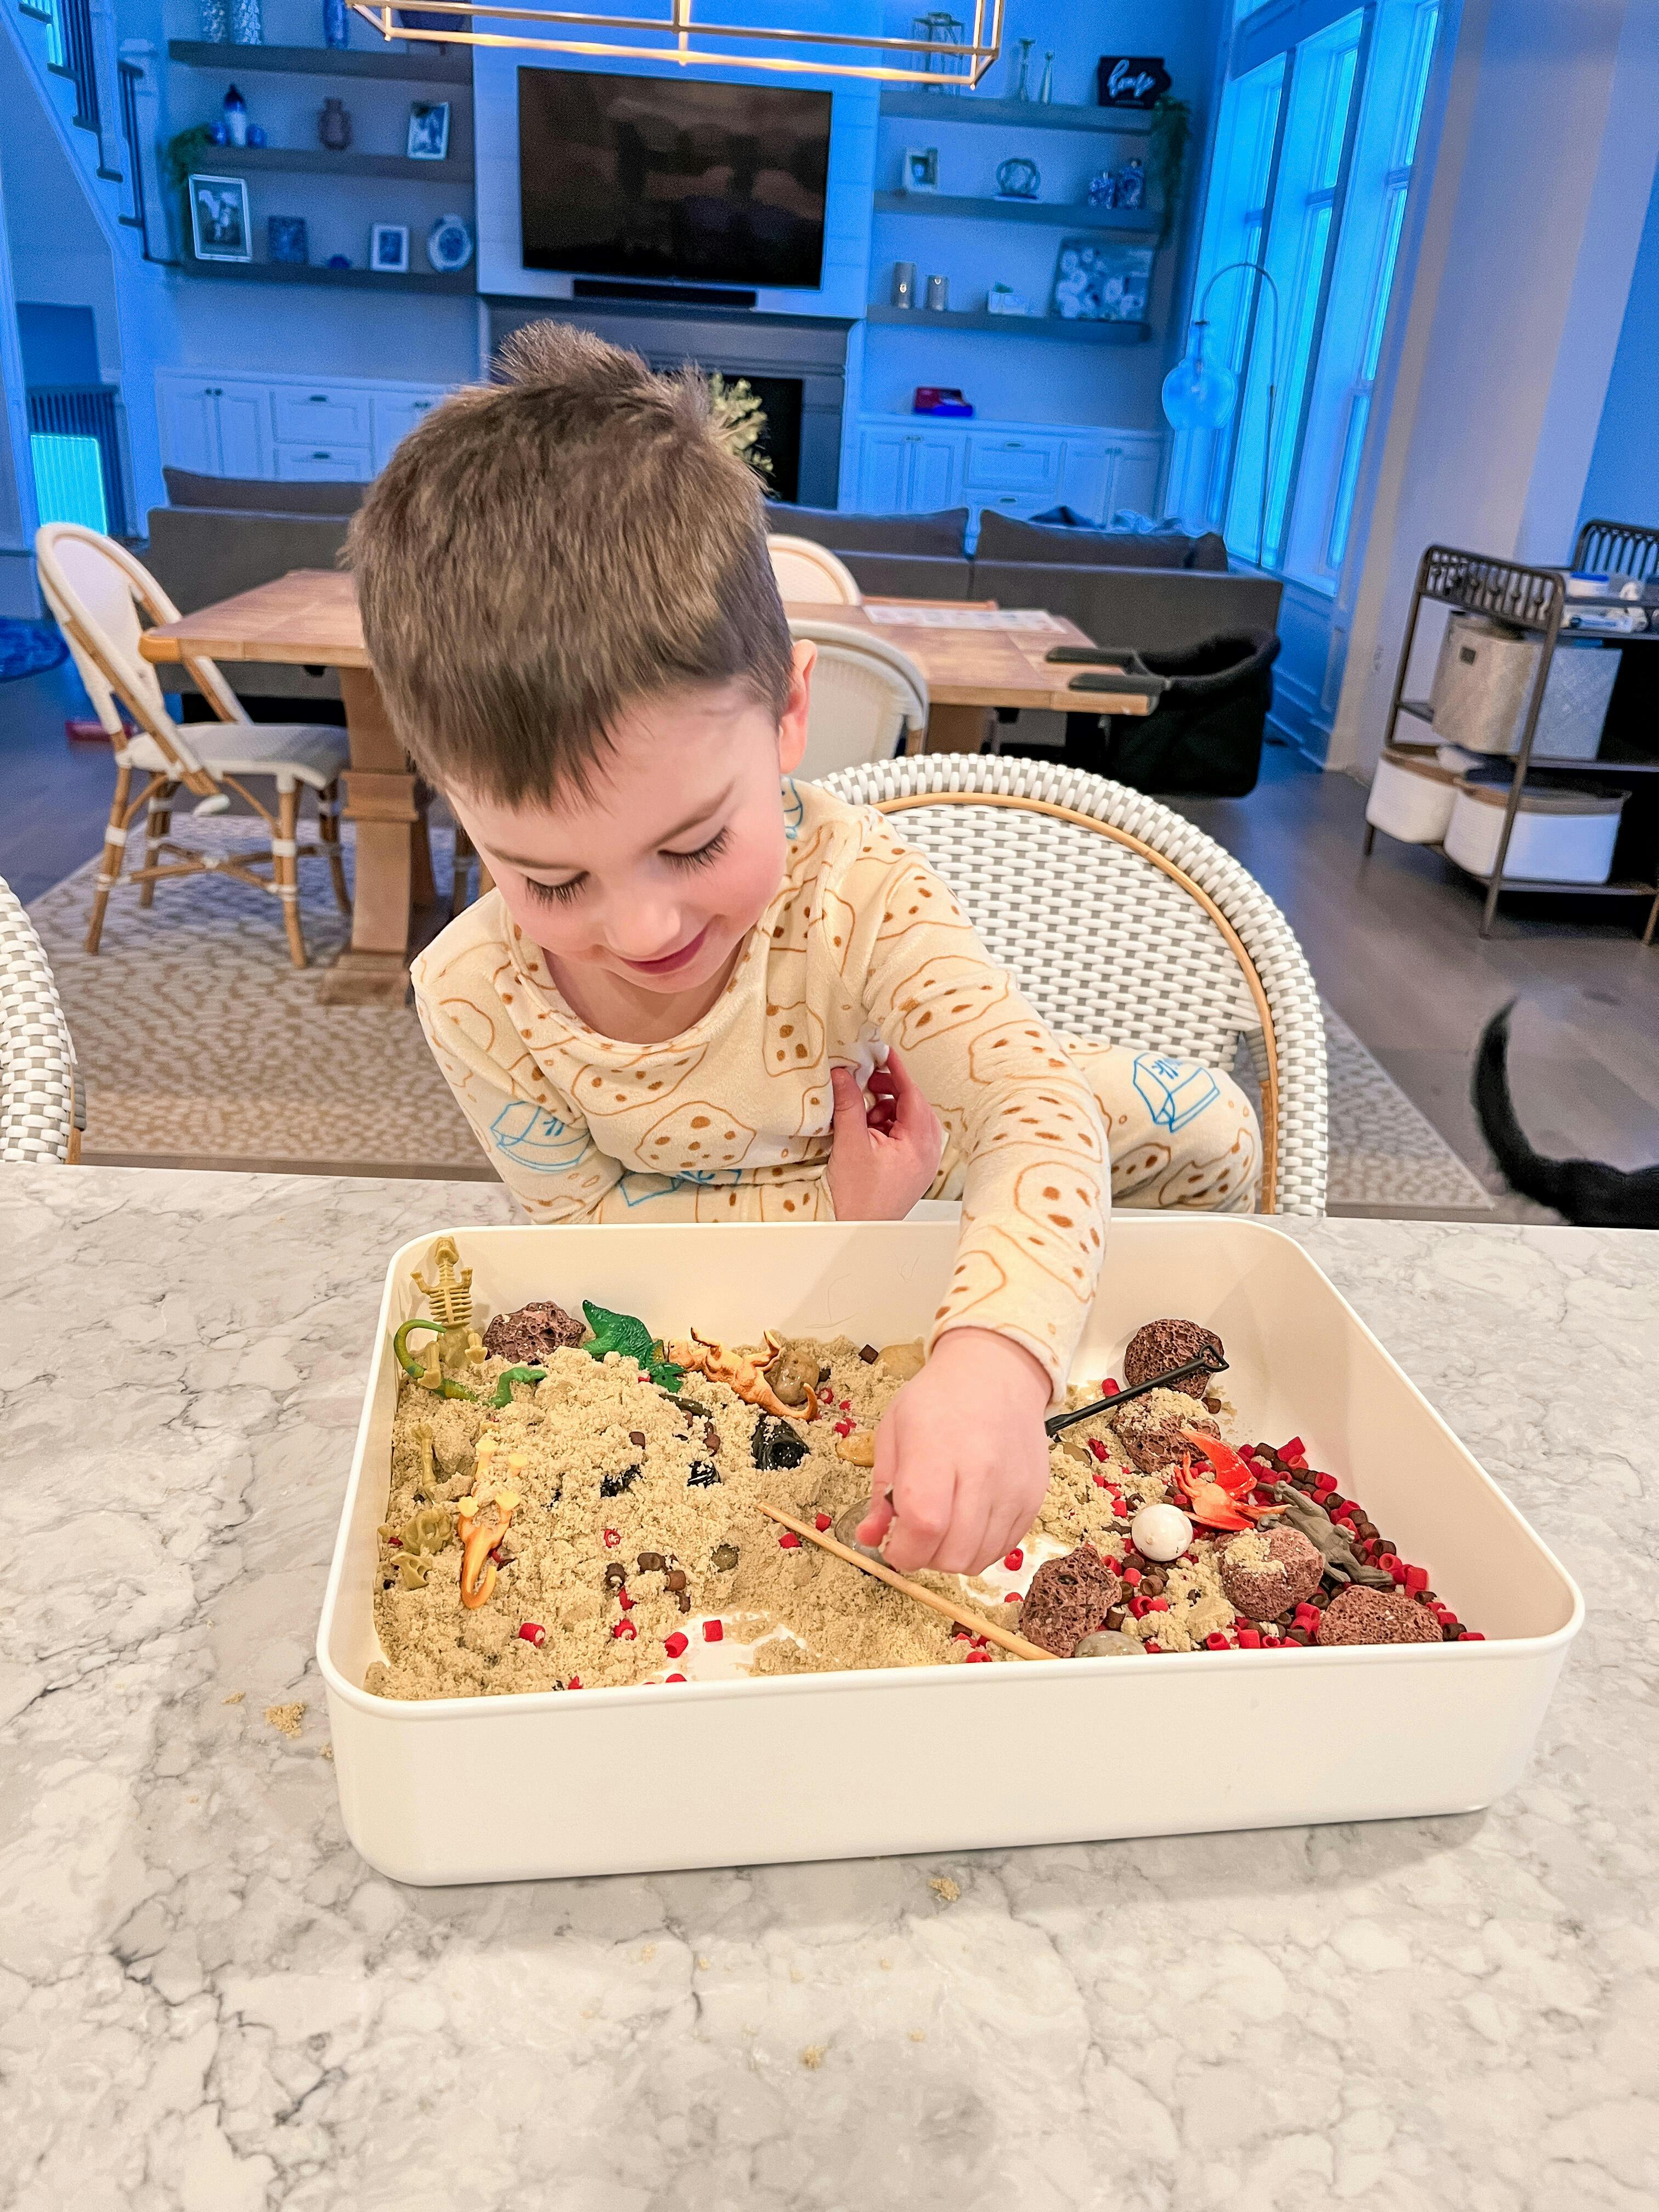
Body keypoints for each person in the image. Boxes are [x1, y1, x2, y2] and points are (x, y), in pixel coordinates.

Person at [349, 323, 1260, 1578]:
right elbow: (598, 1248)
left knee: (1209, 1127)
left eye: (692, 844)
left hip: (925, 1157)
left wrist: (998, 1360)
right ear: (455, 803)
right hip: (819, 1215)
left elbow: (1031, 1108)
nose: (645, 929)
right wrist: (852, 1215)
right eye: (550, 879)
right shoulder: (470, 995)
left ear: (789, 713)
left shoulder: (856, 889)